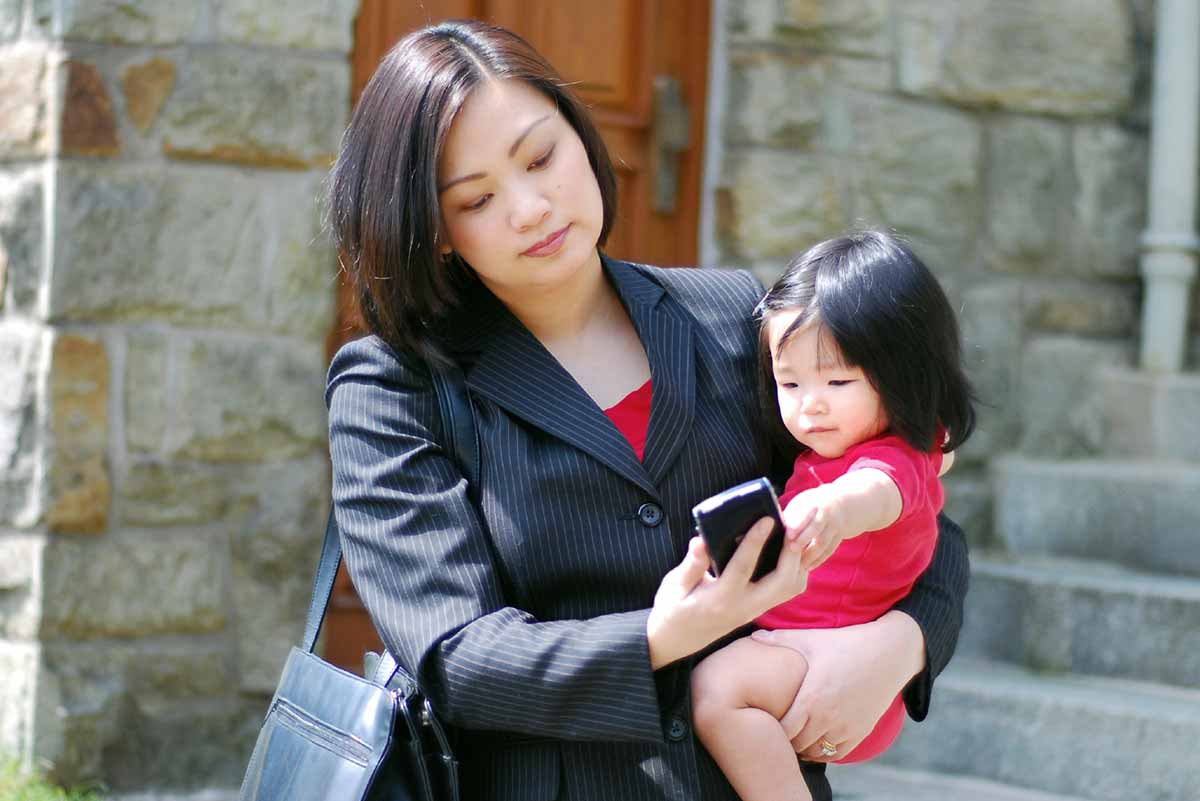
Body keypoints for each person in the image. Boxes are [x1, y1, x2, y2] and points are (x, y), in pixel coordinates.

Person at [324, 19, 969, 801]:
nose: (530, 207)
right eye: (478, 198)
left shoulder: (732, 316)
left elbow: (910, 505)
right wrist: (666, 637)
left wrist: (898, 646)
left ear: (580, 134)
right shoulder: (393, 387)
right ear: (437, 232)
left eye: (541, 156)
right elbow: (458, 657)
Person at [690, 231, 976, 801]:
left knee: (715, 690)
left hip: (839, 671)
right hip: (802, 649)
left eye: (837, 380)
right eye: (788, 382)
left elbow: (878, 493)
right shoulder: (832, 450)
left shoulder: (896, 459)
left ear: (904, 378)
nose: (809, 404)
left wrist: (835, 508)